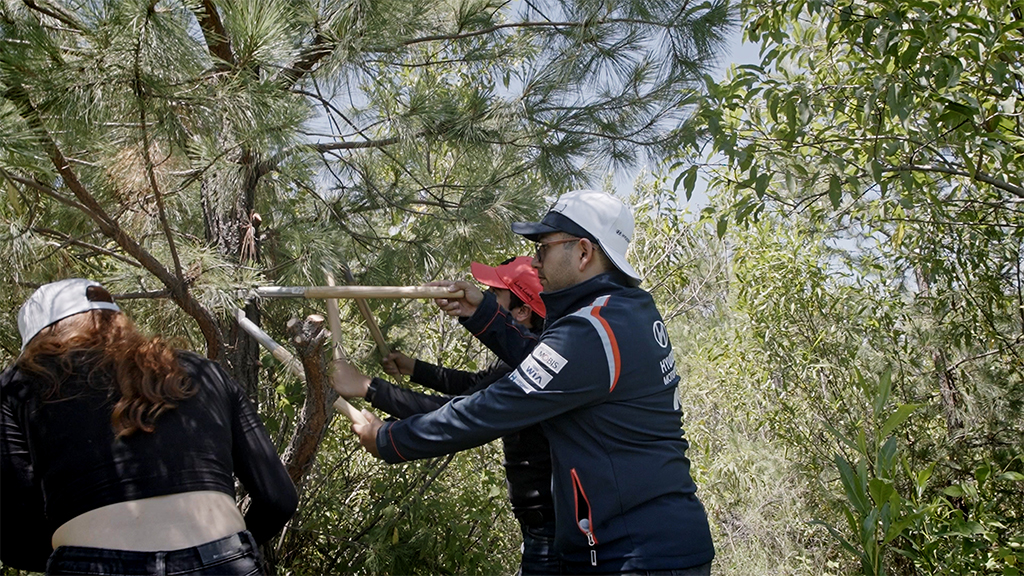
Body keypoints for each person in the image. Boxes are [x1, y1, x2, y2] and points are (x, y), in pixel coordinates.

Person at [338, 189, 715, 574]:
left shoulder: (594, 331)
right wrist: (481, 311)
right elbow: (546, 364)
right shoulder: (625, 311)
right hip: (648, 546)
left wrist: (390, 439)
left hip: (633, 555)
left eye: (543, 248)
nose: (534, 262)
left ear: (583, 252)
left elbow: (492, 407)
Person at [0, 278, 298, 575]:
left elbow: (14, 533)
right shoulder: (203, 371)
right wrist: (222, 552)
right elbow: (279, 499)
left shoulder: (17, 387)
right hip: (222, 560)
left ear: (37, 342)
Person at [334, 256, 559, 575]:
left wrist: (369, 388)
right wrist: (415, 368)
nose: (487, 297)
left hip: (550, 536)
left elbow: (454, 412)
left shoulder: (531, 372)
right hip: (544, 529)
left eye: (496, 294)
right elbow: (474, 385)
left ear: (521, 312)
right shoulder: (532, 355)